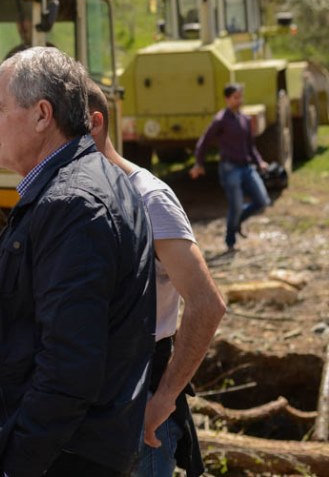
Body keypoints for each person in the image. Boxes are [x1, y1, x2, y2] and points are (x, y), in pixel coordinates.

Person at [0, 47, 155, 477]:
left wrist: (14, 464)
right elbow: (64, 317)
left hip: (61, 460)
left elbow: (70, 367)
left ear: (42, 114)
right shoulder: (81, 186)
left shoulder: (73, 203)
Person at [86, 85, 226, 477]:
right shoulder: (68, 198)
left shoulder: (148, 199)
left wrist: (164, 398)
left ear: (94, 125)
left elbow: (206, 303)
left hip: (139, 405)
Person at [190, 82, 272, 252]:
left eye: (240, 97)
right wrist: (199, 162)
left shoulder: (244, 119)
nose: (239, 100)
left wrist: (260, 162)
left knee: (262, 200)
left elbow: (251, 146)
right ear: (227, 99)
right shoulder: (221, 120)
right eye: (236, 97)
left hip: (247, 167)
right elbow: (204, 141)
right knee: (235, 204)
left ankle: (237, 221)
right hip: (230, 169)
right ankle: (230, 240)